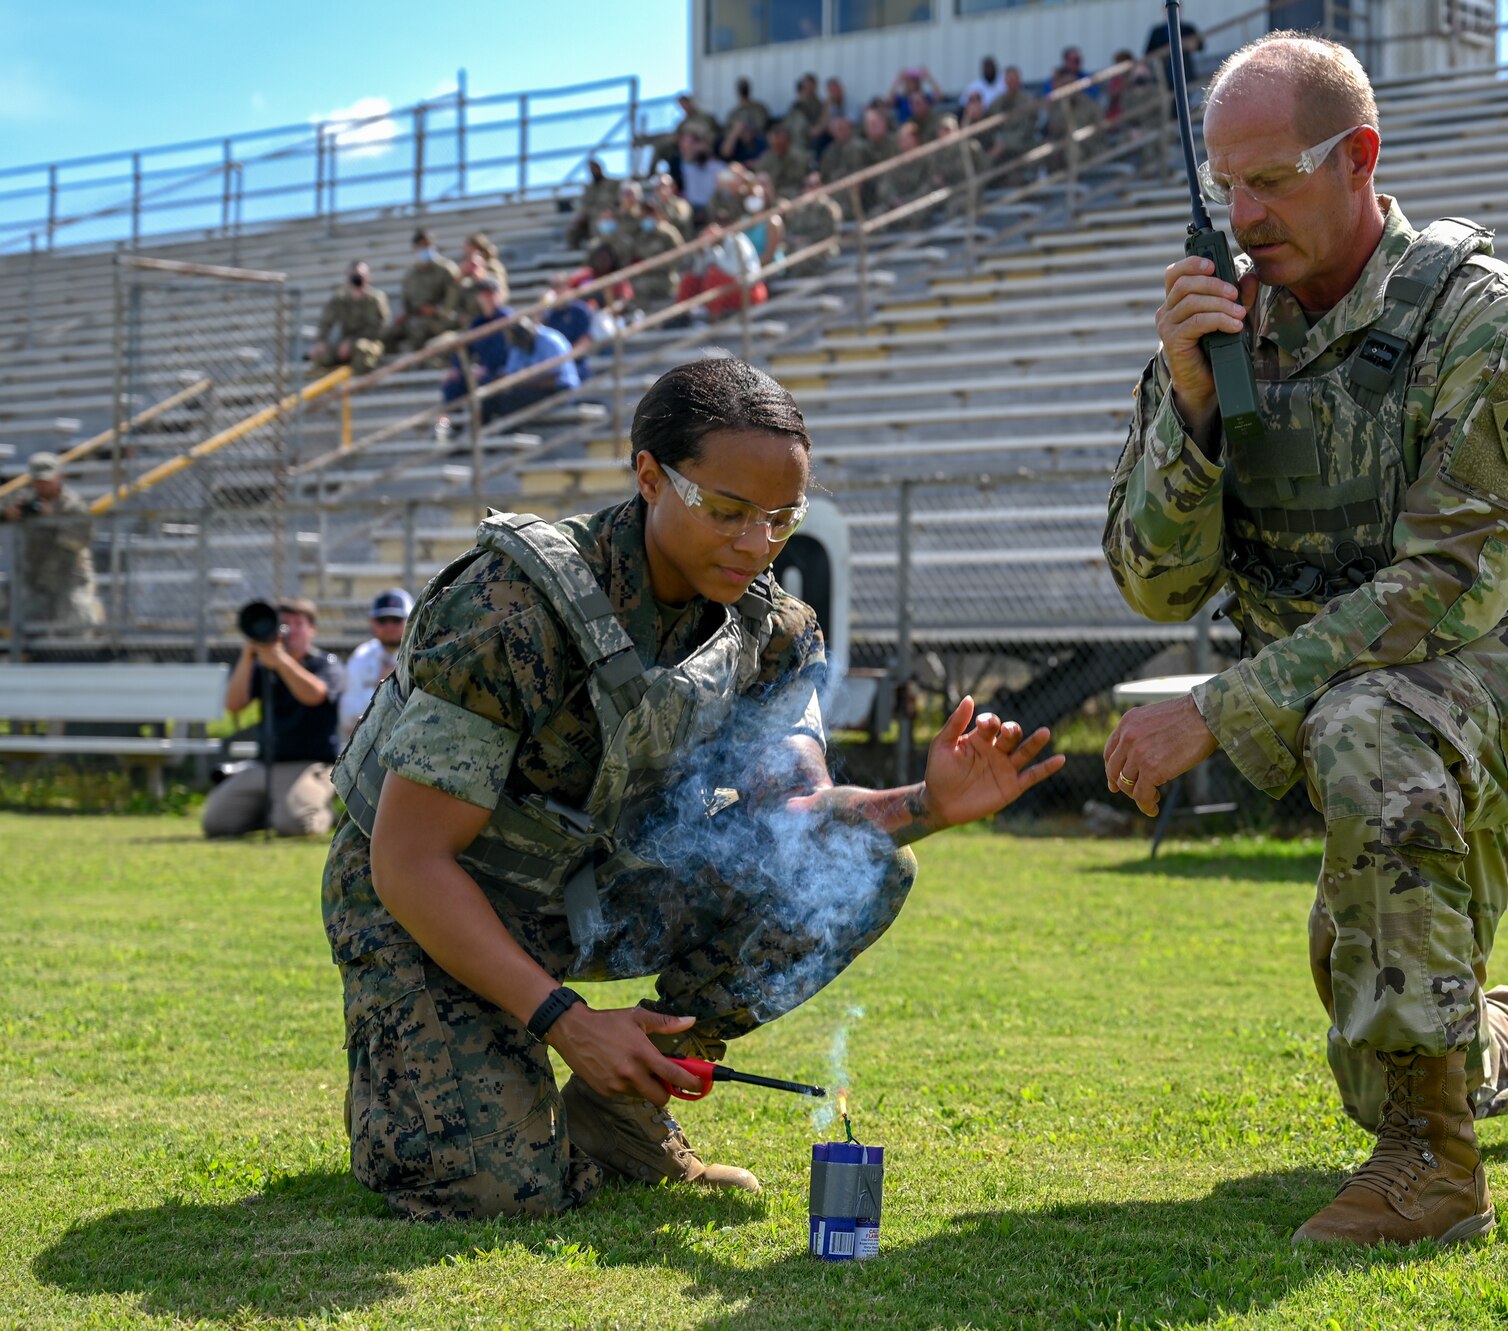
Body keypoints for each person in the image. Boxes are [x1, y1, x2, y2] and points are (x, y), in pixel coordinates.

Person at [1100, 33, 1508, 1250]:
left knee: (1368, 725)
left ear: (1358, 158)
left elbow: (1451, 592)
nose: (1241, 217)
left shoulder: (1478, 319)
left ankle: (1431, 1169)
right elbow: (1153, 582)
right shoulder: (1219, 329)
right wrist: (1189, 414)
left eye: (1271, 180)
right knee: (1382, 1017)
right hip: (1381, 680)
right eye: (1224, 188)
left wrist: (1218, 705)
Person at [324, 356, 1062, 1220]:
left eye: (783, 518)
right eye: (728, 511)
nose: (756, 544)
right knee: (494, 1193)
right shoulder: (510, 609)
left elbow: (790, 818)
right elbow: (409, 860)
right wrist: (566, 1019)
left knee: (867, 867)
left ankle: (625, 1107)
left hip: (588, 889)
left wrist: (926, 804)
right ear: (649, 475)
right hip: (433, 899)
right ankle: (440, 1085)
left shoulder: (773, 631)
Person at [204, 597, 341, 839]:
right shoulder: (263, 666)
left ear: (312, 630)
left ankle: (323, 813)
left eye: (297, 624)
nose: (289, 631)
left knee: (297, 826)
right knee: (216, 823)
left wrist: (281, 661)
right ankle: (274, 809)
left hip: (309, 764)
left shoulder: (325, 664)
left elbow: (314, 695)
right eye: (283, 624)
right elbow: (234, 705)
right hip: (264, 764)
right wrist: (249, 655)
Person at [0, 452, 103, 633]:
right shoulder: (26, 500)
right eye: (38, 480)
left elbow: (79, 540)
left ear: (59, 477)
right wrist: (6, 514)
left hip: (70, 578)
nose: (42, 485)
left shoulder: (74, 506)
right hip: (36, 578)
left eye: (46, 480)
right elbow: (5, 511)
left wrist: (51, 521)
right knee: (23, 628)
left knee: (77, 628)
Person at [340, 588, 412, 740]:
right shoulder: (362, 656)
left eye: (396, 620)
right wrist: (379, 688)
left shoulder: (420, 654)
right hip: (370, 743)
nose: (389, 626)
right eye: (382, 620)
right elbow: (347, 718)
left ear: (411, 620)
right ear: (372, 622)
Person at [482, 315, 581, 423]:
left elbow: (553, 380)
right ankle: (484, 436)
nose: (521, 345)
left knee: (511, 399)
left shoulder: (550, 341)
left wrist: (521, 382)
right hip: (532, 389)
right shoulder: (518, 345)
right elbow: (510, 375)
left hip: (562, 390)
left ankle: (512, 432)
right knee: (489, 399)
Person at [440, 278, 514, 406]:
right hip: (483, 370)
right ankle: (448, 424)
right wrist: (456, 368)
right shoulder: (478, 322)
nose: (488, 298)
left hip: (505, 369)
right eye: (485, 294)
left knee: (483, 387)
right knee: (452, 384)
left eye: (492, 293)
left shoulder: (507, 317)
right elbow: (467, 346)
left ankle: (485, 422)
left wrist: (489, 367)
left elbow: (507, 349)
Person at [309, 261, 391, 375]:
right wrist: (321, 342)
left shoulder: (376, 299)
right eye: (354, 275)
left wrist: (352, 342)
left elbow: (379, 329)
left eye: (360, 276)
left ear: (368, 277)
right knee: (321, 355)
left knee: (361, 349)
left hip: (370, 343)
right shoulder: (340, 299)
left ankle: (356, 383)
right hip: (344, 343)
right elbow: (326, 322)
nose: (357, 279)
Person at [389, 230, 461, 354]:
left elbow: (454, 302)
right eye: (421, 246)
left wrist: (436, 310)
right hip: (417, 319)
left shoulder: (446, 269)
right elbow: (407, 303)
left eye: (428, 245)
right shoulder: (411, 275)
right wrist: (407, 315)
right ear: (414, 249)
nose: (425, 249)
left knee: (417, 328)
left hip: (444, 319)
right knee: (388, 333)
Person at [783, 175, 843, 275]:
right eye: (807, 185)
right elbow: (793, 229)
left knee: (801, 250)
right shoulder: (800, 209)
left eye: (815, 185)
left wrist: (806, 239)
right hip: (801, 245)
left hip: (824, 248)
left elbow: (830, 233)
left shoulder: (828, 208)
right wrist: (791, 238)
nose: (810, 189)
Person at [567, 160, 624, 249]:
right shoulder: (589, 188)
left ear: (600, 168)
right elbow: (584, 205)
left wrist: (611, 212)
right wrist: (582, 215)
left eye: (595, 168)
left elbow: (621, 200)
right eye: (591, 169)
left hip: (611, 215)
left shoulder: (613, 183)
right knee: (573, 228)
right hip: (592, 216)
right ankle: (575, 250)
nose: (594, 171)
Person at [719, 78, 772, 163]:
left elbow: (763, 126)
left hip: (757, 150)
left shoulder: (759, 109)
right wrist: (736, 132)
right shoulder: (733, 114)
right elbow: (725, 151)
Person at [755, 123, 814, 199]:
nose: (778, 148)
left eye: (781, 144)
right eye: (775, 145)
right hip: (774, 197)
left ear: (788, 142)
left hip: (799, 195)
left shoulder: (802, 157)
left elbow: (810, 178)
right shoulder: (763, 161)